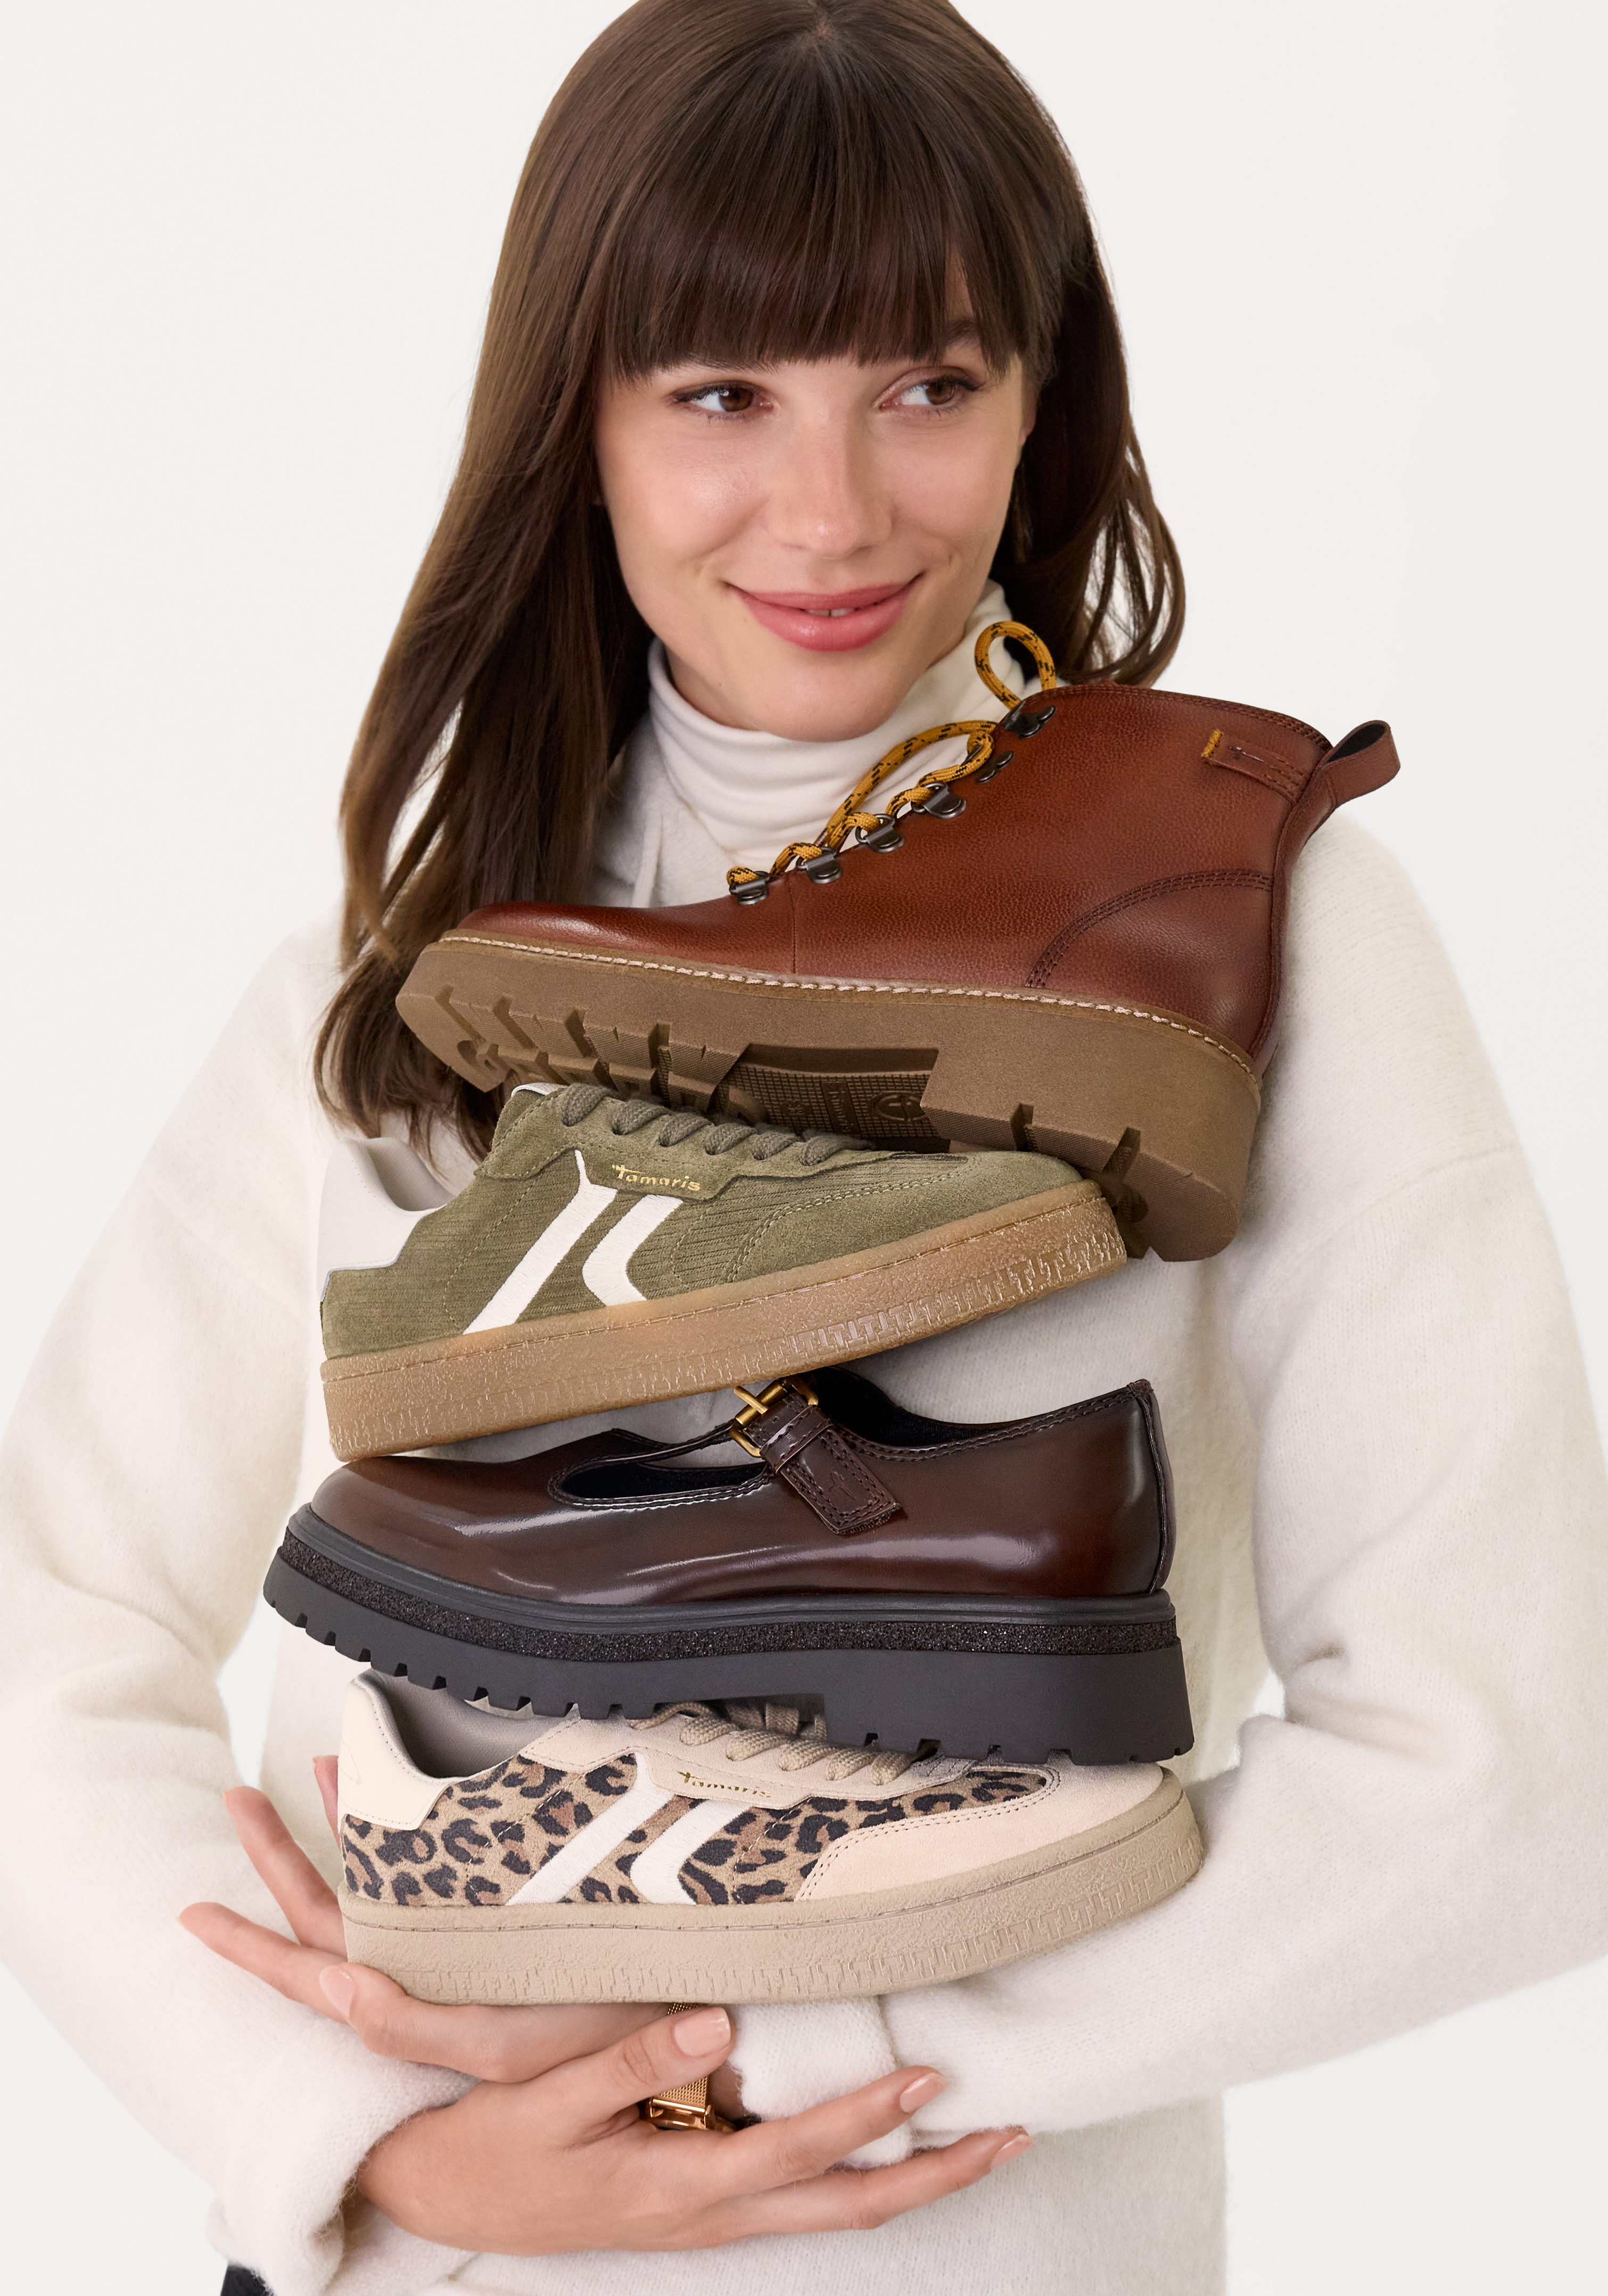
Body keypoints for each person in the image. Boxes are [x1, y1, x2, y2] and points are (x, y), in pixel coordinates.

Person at [2, 3, 1604, 2292]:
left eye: (928, 384)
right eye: (725, 391)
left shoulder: (1260, 934)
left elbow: (1512, 1767)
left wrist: (767, 2054)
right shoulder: (415, 954)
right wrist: (351, 2134)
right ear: (585, 418)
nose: (836, 511)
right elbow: (50, 1618)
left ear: (1043, 398)